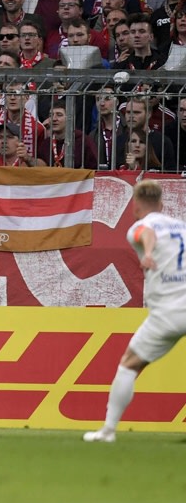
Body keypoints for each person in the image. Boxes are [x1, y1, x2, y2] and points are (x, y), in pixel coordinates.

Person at [84, 180, 186, 443]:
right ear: (162, 204)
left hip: (167, 311)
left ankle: (107, 431)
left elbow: (146, 234)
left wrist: (148, 254)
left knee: (129, 364)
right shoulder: (181, 227)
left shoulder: (139, 226)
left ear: (135, 207)